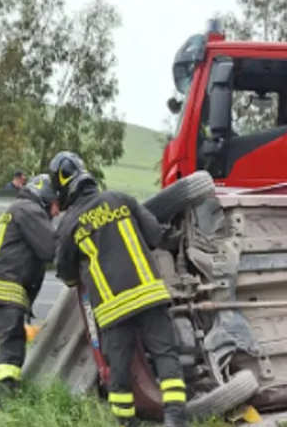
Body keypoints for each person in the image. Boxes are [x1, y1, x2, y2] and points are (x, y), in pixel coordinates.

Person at [49, 151, 187, 427]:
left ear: (62, 187)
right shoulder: (121, 200)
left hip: (114, 309)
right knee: (166, 356)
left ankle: (126, 422)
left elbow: (66, 274)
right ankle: (175, 419)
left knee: (119, 372)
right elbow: (156, 236)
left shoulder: (69, 225)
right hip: (150, 296)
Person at [0, 173, 58, 399]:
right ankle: (6, 394)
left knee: (10, 335)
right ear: (45, 197)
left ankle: (7, 384)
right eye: (55, 205)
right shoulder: (30, 210)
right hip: (6, 283)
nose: (56, 211)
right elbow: (51, 248)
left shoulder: (18, 208)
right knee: (13, 338)